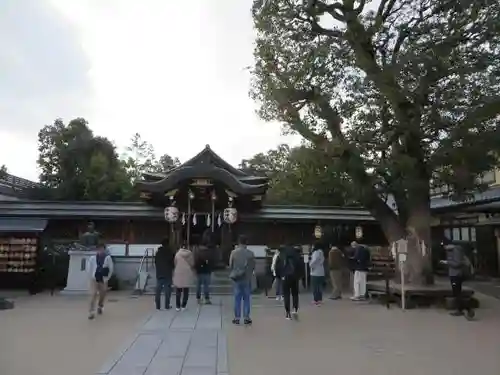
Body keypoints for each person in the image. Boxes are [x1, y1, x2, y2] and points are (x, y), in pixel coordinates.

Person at [440, 239, 475, 320]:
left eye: (445, 246)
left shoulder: (456, 250)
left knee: (457, 293)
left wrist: (447, 262)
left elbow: (457, 263)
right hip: (453, 274)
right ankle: (460, 310)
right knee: (456, 293)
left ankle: (468, 309)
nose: (445, 248)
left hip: (457, 274)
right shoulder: (450, 250)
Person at [229, 234, 255, 325]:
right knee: (247, 298)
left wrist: (235, 271)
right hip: (246, 278)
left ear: (238, 242)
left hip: (236, 278)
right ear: (246, 242)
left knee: (237, 298)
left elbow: (230, 265)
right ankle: (246, 317)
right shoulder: (250, 253)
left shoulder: (234, 253)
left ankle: (237, 317)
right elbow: (253, 267)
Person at [275, 244, 303, 320]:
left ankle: (288, 313)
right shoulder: (296, 254)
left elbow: (277, 267)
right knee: (295, 293)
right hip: (295, 277)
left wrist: (279, 276)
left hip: (285, 277)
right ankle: (295, 309)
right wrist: (299, 276)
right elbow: (301, 266)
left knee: (286, 294)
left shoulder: (281, 255)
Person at [87, 243, 114, 319]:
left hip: (103, 279)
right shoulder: (92, 258)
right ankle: (91, 312)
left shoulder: (108, 258)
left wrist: (107, 278)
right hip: (94, 279)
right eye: (99, 249)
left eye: (102, 249)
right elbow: (89, 268)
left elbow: (111, 269)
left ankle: (100, 305)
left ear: (104, 249)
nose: (100, 251)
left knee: (103, 293)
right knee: (93, 294)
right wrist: (91, 276)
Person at [195, 231, 215, 305]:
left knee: (198, 285)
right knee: (206, 285)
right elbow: (211, 260)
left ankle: (198, 299)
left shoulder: (197, 251)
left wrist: (195, 268)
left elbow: (195, 260)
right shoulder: (209, 251)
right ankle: (206, 299)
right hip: (207, 270)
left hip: (199, 270)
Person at [173, 243, 195, 311]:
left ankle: (177, 306)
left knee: (178, 290)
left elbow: (175, 263)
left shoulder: (177, 254)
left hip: (178, 273)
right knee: (186, 290)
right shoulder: (190, 254)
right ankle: (183, 306)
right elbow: (192, 263)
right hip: (187, 273)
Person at [154, 238, 174, 310]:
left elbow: (155, 262)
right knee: (167, 290)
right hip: (167, 273)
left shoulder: (158, 253)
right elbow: (172, 263)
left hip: (159, 273)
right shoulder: (170, 252)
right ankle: (167, 305)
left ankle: (158, 306)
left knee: (158, 290)